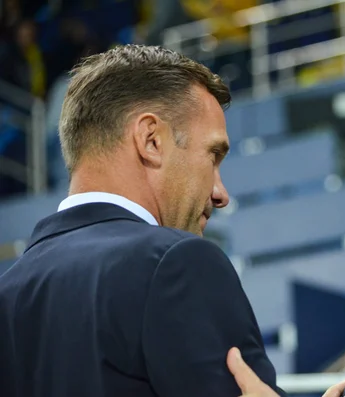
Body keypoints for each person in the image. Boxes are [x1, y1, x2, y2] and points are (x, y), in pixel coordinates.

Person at [0, 44, 282, 397]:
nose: (220, 192)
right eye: (212, 155)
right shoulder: (178, 263)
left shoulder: (8, 292)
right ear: (151, 140)